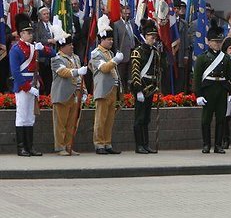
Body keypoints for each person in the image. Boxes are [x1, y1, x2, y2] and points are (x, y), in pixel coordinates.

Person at [9, 13, 56, 156]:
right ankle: (21, 147)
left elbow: (52, 53)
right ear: (21, 34)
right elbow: (15, 72)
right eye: (28, 32)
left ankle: (30, 147)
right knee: (22, 116)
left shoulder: (34, 47)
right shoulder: (15, 50)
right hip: (23, 85)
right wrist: (28, 88)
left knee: (30, 117)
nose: (31, 35)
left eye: (31, 32)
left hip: (34, 84)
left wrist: (44, 48)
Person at [193, 23, 231, 154]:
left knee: (221, 119)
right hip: (208, 90)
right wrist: (198, 95)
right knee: (206, 119)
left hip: (221, 90)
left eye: (219, 42)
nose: (217, 44)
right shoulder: (202, 58)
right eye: (215, 42)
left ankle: (218, 145)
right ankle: (206, 145)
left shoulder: (226, 58)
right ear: (209, 42)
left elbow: (230, 77)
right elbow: (197, 78)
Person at [89, 15, 123, 155]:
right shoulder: (96, 53)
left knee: (109, 119)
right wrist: (115, 60)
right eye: (109, 39)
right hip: (103, 89)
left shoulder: (109, 52)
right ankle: (99, 144)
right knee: (101, 118)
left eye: (112, 39)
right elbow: (103, 68)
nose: (111, 41)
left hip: (112, 89)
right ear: (101, 39)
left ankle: (107, 142)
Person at [50, 35, 88, 156]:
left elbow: (81, 77)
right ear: (62, 47)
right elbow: (63, 72)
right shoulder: (56, 59)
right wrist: (77, 71)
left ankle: (68, 145)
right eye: (69, 45)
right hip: (62, 94)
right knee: (61, 123)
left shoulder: (76, 58)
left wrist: (85, 91)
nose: (72, 46)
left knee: (72, 122)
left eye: (72, 44)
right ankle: (60, 146)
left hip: (75, 93)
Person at [130, 20, 163, 154]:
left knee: (147, 118)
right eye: (151, 37)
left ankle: (146, 144)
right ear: (145, 36)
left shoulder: (155, 52)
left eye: (155, 37)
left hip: (150, 88)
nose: (153, 39)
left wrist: (157, 86)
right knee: (139, 118)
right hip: (141, 88)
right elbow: (135, 72)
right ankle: (139, 145)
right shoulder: (138, 52)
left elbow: (158, 70)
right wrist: (138, 90)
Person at [113, 5, 138, 93]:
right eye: (125, 13)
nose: (127, 15)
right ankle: (122, 94)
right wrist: (117, 53)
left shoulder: (132, 23)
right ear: (121, 13)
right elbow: (116, 41)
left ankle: (130, 93)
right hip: (122, 54)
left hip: (132, 52)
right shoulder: (117, 24)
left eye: (128, 13)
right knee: (122, 76)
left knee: (131, 75)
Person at [34, 6, 56, 95]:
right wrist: (48, 41)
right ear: (40, 16)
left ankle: (49, 96)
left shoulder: (53, 25)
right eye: (44, 14)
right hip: (42, 57)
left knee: (50, 78)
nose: (47, 15)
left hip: (52, 56)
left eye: (47, 14)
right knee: (42, 77)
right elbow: (36, 40)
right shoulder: (37, 26)